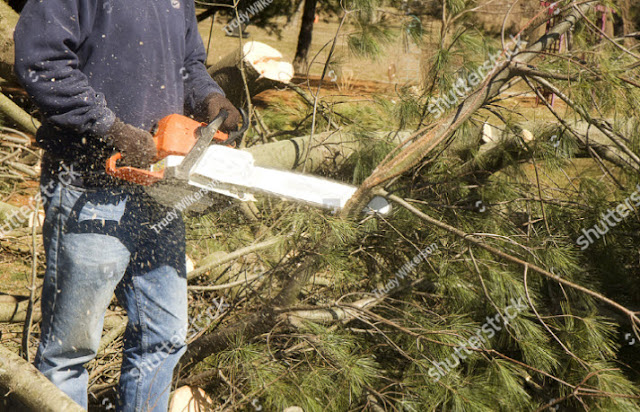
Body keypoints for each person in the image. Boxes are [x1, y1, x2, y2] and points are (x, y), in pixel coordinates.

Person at [13, 0, 240, 410]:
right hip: (87, 184)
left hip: (160, 191)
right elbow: (41, 62)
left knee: (164, 337)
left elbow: (188, 62)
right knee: (69, 352)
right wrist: (111, 128)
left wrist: (210, 97)